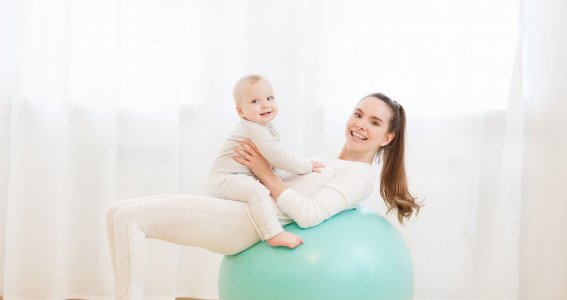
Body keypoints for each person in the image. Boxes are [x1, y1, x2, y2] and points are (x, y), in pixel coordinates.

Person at [106, 92, 422, 300]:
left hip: (245, 224)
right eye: (358, 114)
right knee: (117, 212)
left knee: (131, 218)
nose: (360, 124)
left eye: (374, 122)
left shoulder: (360, 175)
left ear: (388, 137)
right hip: (240, 208)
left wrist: (265, 172)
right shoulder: (329, 159)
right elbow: (282, 183)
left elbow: (309, 213)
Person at [208, 75, 324, 249]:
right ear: (240, 111)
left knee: (273, 180)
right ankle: (273, 234)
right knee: (259, 192)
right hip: (225, 178)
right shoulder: (254, 129)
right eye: (255, 101)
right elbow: (277, 156)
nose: (265, 105)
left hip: (238, 175)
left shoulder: (260, 127)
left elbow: (272, 162)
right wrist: (305, 166)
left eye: (269, 98)